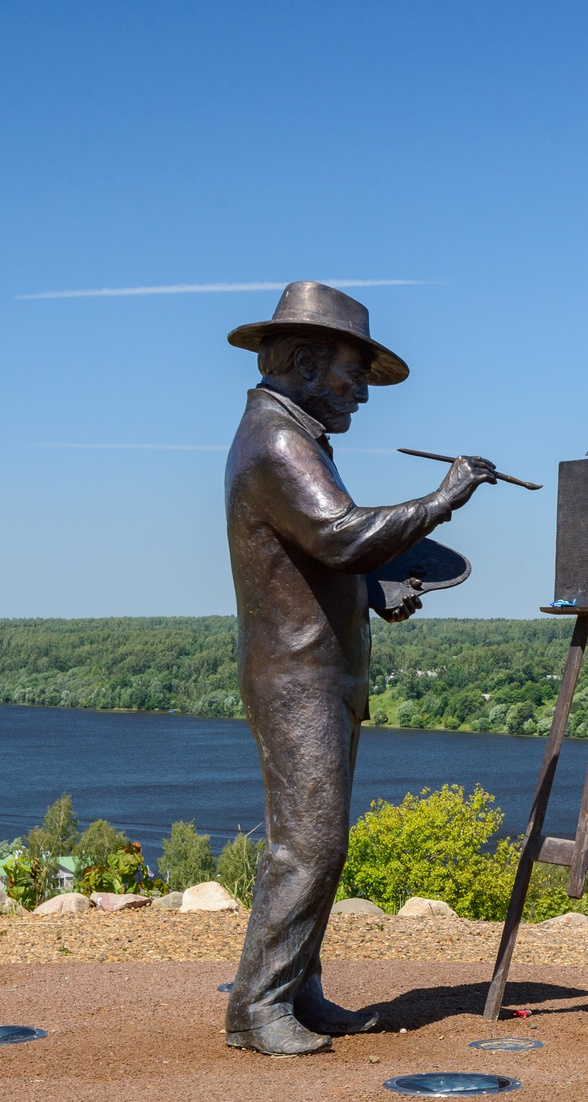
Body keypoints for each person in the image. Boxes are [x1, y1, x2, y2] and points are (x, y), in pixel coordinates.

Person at [221, 282, 496, 1055]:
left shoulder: (294, 434)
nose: (363, 395)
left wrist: (375, 590)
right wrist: (443, 499)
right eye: (354, 375)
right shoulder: (278, 441)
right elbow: (339, 534)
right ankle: (257, 1007)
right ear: (305, 360)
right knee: (307, 844)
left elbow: (319, 555)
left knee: (318, 840)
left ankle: (296, 991)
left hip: (318, 668)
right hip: (297, 675)